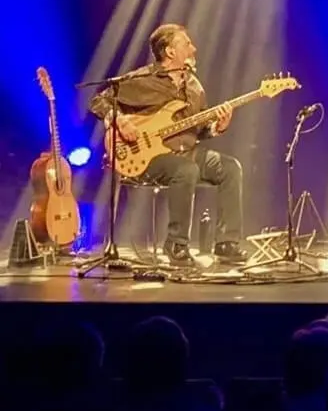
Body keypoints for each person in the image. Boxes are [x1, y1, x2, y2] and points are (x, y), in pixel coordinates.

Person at [89, 23, 245, 265]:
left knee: (230, 167)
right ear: (170, 51)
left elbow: (200, 130)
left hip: (187, 152)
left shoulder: (194, 86)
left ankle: (226, 243)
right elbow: (99, 101)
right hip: (149, 158)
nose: (194, 48)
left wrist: (218, 127)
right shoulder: (143, 79)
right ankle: (176, 244)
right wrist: (119, 121)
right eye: (186, 43)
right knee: (186, 170)